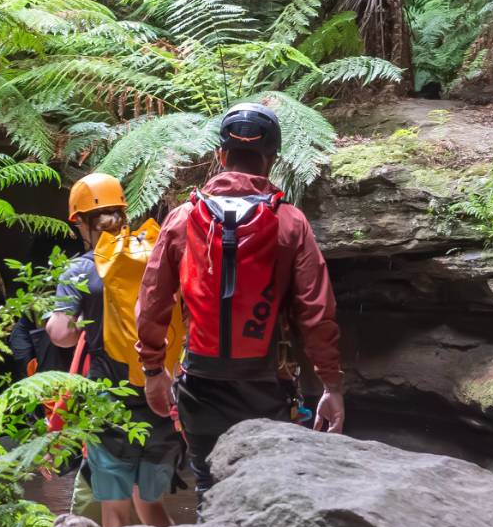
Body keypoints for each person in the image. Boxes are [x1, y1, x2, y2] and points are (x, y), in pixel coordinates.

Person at [134, 102, 345, 499]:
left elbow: (152, 301)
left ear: (219, 155)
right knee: (267, 494)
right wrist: (331, 386)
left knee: (209, 491)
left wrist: (152, 370)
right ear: (272, 161)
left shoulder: (182, 218)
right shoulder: (290, 222)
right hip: (267, 385)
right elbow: (316, 314)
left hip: (200, 384)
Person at [46, 173, 180, 527]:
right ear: (123, 213)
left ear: (80, 223)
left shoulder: (81, 268)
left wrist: (54, 321)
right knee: (152, 507)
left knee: (115, 514)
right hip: (161, 403)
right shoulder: (152, 256)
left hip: (110, 406)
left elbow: (62, 336)